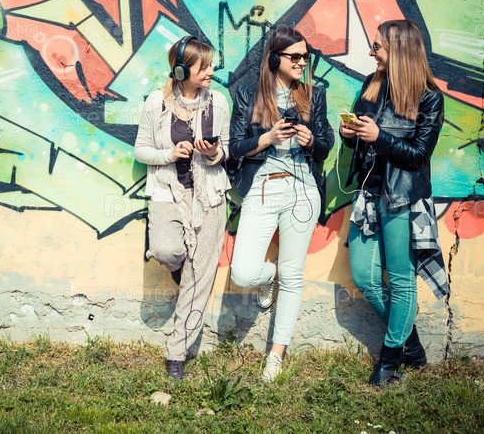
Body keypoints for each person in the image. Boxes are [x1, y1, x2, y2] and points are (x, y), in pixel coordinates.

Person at [339, 19, 448, 387]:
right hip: (368, 195)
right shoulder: (371, 86)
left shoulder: (429, 97)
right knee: (365, 277)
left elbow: (418, 155)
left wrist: (379, 136)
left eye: (377, 47)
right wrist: (350, 135)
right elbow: (360, 139)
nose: (372, 53)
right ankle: (411, 345)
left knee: (401, 280)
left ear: (399, 50)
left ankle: (389, 363)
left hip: (403, 198)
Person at [228, 26, 334, 382]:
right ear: (275, 58)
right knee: (243, 273)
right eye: (295, 57)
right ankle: (269, 274)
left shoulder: (314, 96)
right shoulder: (248, 94)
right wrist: (267, 138)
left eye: (306, 57)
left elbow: (326, 147)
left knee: (293, 276)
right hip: (263, 187)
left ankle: (276, 354)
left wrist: (311, 140)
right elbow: (235, 147)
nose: (302, 63)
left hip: (303, 190)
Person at [134, 35, 230, 381]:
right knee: (166, 249)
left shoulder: (219, 102)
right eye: (204, 67)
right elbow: (141, 149)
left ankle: (177, 353)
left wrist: (214, 153)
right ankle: (180, 270)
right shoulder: (156, 102)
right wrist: (169, 154)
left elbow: (226, 149)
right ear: (181, 70)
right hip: (167, 193)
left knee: (199, 279)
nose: (211, 71)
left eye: (211, 65)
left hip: (209, 197)